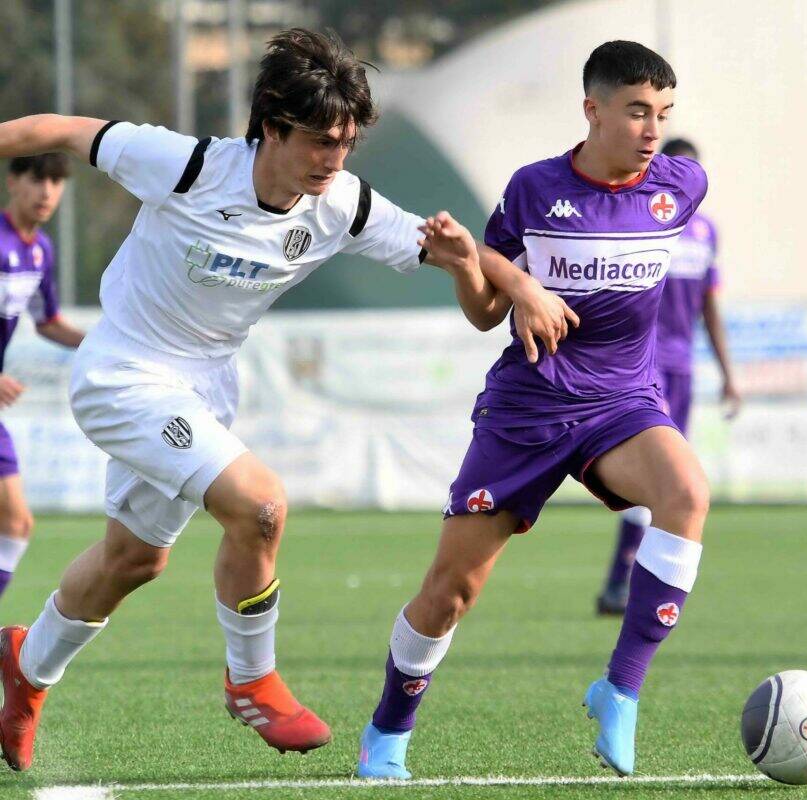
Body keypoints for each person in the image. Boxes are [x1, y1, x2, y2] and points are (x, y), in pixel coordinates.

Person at [0, 28, 573, 772]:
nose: (334, 160)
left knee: (132, 561)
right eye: (319, 141)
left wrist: (513, 281)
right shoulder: (189, 165)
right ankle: (252, 682)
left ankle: (24, 667)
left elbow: (450, 255)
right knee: (260, 504)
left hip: (205, 386)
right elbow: (59, 131)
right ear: (271, 125)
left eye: (346, 144)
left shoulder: (341, 204)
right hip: (124, 373)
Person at [358, 40, 708, 780]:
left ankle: (621, 688)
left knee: (687, 495)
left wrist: (515, 280)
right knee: (451, 593)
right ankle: (389, 730)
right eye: (637, 111)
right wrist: (489, 273)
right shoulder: (534, 189)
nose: (652, 129)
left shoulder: (682, 188)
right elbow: (484, 311)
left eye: (664, 114)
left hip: (622, 402)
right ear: (593, 110)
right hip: (530, 410)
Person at [596, 137, 739, 615]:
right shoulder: (645, 224)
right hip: (641, 367)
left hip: (682, 370)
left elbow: (710, 307)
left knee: (674, 484)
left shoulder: (706, 233)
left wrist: (727, 373)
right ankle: (622, 583)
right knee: (657, 479)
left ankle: (629, 585)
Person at [0, 154, 87, 605]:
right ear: (13, 181)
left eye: (57, 181)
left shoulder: (39, 250)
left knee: (15, 524)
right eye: (38, 179)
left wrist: (102, 345)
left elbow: (48, 321)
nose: (48, 191)